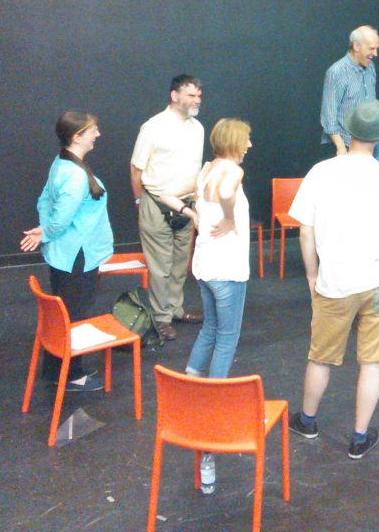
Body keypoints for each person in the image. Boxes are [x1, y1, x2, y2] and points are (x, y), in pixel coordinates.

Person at [288, 100, 379, 460]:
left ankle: (308, 420)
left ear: (350, 131)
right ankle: (359, 438)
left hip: (335, 283)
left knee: (321, 357)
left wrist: (312, 274)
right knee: (372, 361)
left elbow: (305, 232)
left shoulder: (320, 172)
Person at [159, 118, 253, 496]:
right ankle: (212, 409)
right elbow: (229, 190)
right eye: (246, 140)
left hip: (205, 267)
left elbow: (166, 192)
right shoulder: (232, 170)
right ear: (234, 142)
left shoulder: (205, 170)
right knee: (227, 338)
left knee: (210, 330)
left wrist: (194, 214)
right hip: (228, 271)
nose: (250, 145)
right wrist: (229, 216)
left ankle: (193, 388)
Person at [20, 111, 114, 393]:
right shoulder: (74, 176)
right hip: (77, 256)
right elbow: (60, 218)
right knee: (73, 315)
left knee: (63, 312)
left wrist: (44, 230)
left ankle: (54, 370)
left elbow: (45, 200)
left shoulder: (61, 162)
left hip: (64, 253)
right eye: (93, 130)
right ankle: (72, 376)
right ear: (77, 136)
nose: (98, 134)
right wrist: (47, 230)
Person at [130, 74, 205, 341]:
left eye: (198, 95)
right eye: (191, 95)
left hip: (186, 205)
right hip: (157, 202)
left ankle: (175, 309)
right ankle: (160, 318)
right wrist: (140, 201)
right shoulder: (153, 127)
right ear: (174, 96)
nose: (197, 100)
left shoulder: (198, 128)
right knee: (160, 266)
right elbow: (136, 168)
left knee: (179, 263)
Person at [320, 25, 379, 162]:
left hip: (373, 144)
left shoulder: (370, 67)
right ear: (356, 46)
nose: (375, 54)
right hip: (348, 147)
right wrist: (341, 148)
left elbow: (369, 103)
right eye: (371, 48)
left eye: (377, 48)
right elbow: (329, 117)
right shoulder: (336, 72)